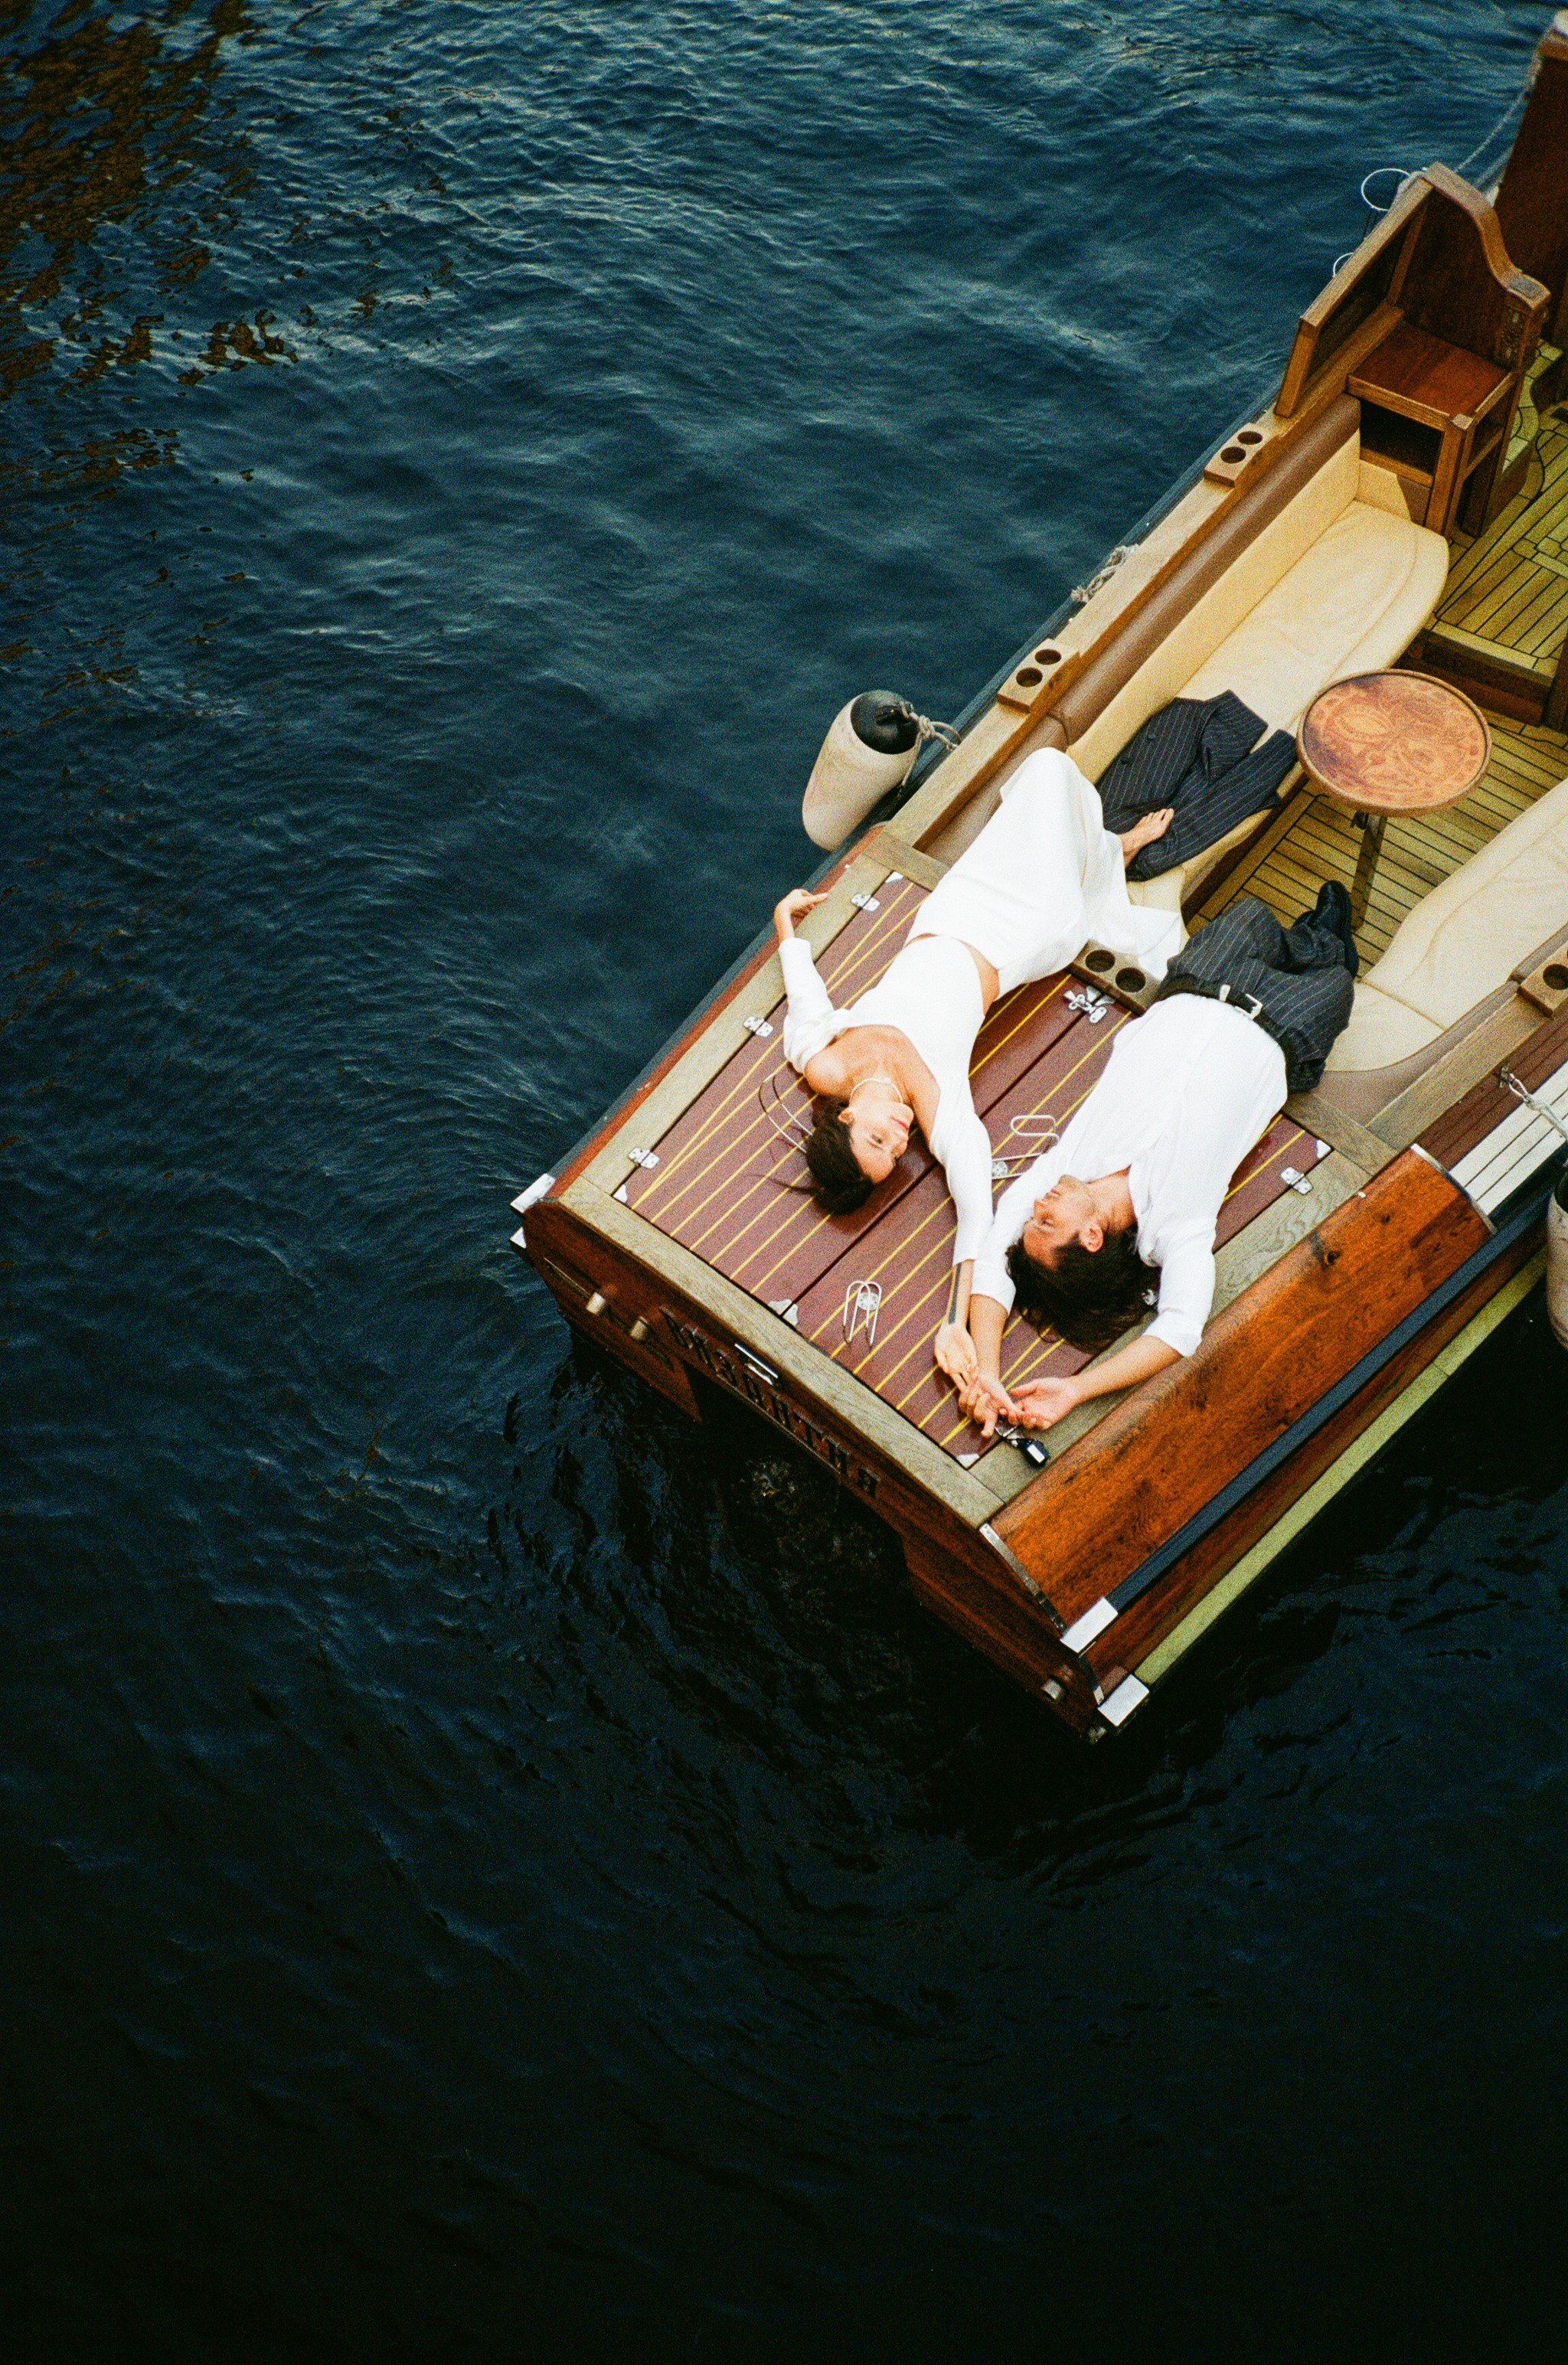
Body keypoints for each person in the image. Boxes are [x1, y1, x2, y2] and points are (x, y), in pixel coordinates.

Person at [773, 746, 1183, 1381]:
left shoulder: (823, 1065)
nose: (902, 1135)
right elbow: (976, 1213)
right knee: (1049, 777)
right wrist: (953, 1321)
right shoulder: (939, 1109)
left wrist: (783, 927)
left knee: (1046, 765)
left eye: (880, 1136)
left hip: (950, 912)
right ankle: (1113, 853)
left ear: (847, 1113)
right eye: (896, 1152)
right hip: (1017, 937)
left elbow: (805, 1001)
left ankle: (1107, 853)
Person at [950, 884, 1361, 1435]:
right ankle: (1330, 928)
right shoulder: (1176, 1227)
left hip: (1202, 980)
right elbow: (1181, 1329)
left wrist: (988, 1373)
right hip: (1284, 1024)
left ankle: (1317, 926)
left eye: (1034, 1215)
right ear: (1092, 1236)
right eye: (1046, 1221)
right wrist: (1076, 1388)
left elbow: (994, 1255)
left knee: (1253, 911)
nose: (1036, 1203)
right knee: (1335, 971)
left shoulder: (1068, 1166)